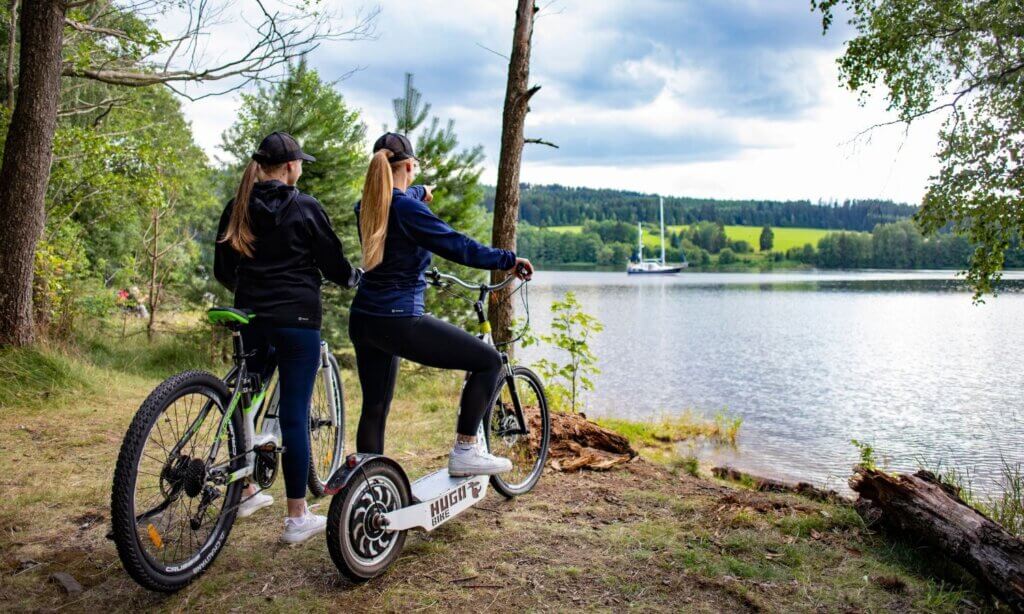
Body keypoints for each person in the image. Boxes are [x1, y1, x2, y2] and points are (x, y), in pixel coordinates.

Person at [350, 132, 534, 476]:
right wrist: (507, 259)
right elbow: (456, 245)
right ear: (408, 165)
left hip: (364, 319)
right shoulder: (406, 209)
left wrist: (420, 191)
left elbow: (403, 196)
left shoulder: (368, 204)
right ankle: (466, 450)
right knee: (488, 361)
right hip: (399, 319)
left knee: (374, 406)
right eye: (414, 167)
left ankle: (366, 485)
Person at [214, 131, 357, 544]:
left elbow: (224, 270)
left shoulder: (236, 208)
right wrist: (353, 278)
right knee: (294, 413)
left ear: (260, 167)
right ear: (292, 167)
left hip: (251, 316)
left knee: (244, 398)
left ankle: (244, 489)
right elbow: (333, 264)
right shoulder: (306, 207)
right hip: (297, 320)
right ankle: (296, 517)